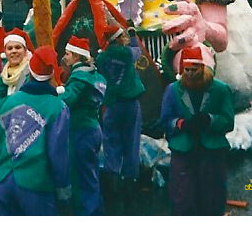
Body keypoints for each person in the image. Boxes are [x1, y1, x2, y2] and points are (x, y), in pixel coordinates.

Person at [0, 46, 72, 215]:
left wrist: (0, 173)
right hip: (36, 186)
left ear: (30, 71)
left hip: (4, 182)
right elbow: (58, 154)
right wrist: (63, 191)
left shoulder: (7, 102)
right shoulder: (58, 107)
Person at [160, 45, 234, 215]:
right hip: (183, 150)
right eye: (187, 70)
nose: (190, 74)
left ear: (202, 68)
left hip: (212, 150)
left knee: (212, 197)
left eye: (194, 70)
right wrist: (180, 124)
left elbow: (228, 121)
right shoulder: (172, 90)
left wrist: (210, 120)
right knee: (182, 196)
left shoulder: (221, 89)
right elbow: (165, 120)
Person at [95, 26, 145, 214]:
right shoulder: (126, 53)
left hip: (111, 104)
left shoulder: (102, 57)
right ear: (119, 38)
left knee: (111, 143)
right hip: (130, 103)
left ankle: (112, 184)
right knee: (130, 142)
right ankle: (129, 184)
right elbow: (137, 51)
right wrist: (132, 34)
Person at [58, 36, 106, 216]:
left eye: (68, 53)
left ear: (77, 57)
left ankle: (88, 213)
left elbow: (68, 99)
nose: (65, 57)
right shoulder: (96, 75)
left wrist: (56, 94)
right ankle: (96, 209)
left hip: (80, 131)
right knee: (91, 173)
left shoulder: (78, 77)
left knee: (82, 176)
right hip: (93, 128)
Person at [0, 28, 34, 99]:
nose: (14, 51)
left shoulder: (32, 73)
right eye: (10, 48)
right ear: (5, 52)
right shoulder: (2, 75)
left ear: (25, 51)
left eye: (18, 47)